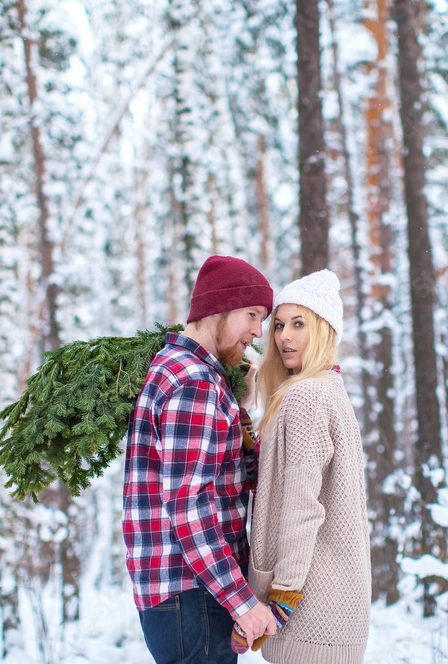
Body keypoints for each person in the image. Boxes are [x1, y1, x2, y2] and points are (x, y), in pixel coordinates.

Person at [123, 255, 280, 664]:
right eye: (251, 314)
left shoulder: (181, 370)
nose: (257, 332)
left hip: (183, 595)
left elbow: (226, 475)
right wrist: (242, 602)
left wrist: (239, 406)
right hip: (193, 594)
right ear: (218, 307)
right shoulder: (194, 382)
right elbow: (189, 506)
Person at [237, 269, 372, 663]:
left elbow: (301, 506)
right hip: (339, 602)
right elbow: (275, 473)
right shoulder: (329, 388)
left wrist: (282, 596)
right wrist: (246, 413)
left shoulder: (306, 397)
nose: (284, 337)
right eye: (279, 325)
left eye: (299, 324)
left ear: (325, 330)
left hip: (311, 605)